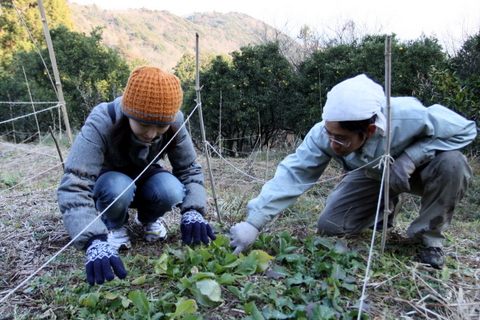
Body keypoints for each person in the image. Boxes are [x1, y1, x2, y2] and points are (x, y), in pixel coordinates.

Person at [230, 74, 476, 269]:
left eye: (342, 138)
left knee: (453, 163)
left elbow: (466, 130)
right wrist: (254, 222)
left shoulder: (409, 116)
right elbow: (294, 173)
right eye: (330, 134)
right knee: (331, 226)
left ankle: (429, 238)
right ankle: (384, 209)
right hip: (372, 175)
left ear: (369, 130)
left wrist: (411, 157)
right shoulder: (323, 134)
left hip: (420, 172)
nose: (333, 144)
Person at [57, 66, 216, 285]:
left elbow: (189, 169)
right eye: (143, 124)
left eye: (161, 126)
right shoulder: (103, 119)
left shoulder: (175, 121)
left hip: (147, 176)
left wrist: (194, 211)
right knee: (117, 187)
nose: (151, 134)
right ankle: (114, 224)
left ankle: (148, 218)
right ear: (128, 112)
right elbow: (75, 182)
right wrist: (93, 239)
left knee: (171, 189)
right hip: (110, 181)